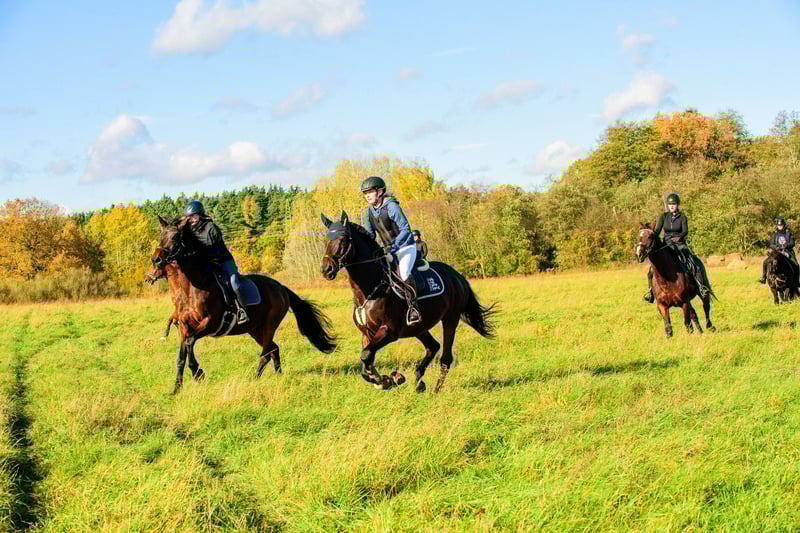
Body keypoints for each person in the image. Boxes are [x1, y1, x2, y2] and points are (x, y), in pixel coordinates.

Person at [360, 176, 422, 325]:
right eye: (365, 193)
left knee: (403, 273)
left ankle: (414, 309)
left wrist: (394, 245)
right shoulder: (367, 213)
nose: (367, 195)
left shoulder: (391, 206)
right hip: (388, 250)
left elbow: (405, 229)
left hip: (405, 247)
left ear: (380, 191)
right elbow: (370, 236)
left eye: (370, 192)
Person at [183, 200, 249, 324]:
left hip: (223, 260)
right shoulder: (189, 231)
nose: (191, 219)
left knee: (234, 282)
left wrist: (210, 260)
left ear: (200, 214)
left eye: (193, 216)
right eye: (189, 217)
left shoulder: (211, 227)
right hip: (206, 263)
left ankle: (241, 309)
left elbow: (215, 248)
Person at [643, 192, 710, 303]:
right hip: (666, 245)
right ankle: (651, 292)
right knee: (651, 269)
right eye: (670, 204)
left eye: (674, 204)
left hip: (680, 245)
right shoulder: (663, 217)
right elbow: (657, 232)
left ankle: (701, 287)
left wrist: (679, 238)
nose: (672, 206)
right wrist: (648, 234)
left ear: (678, 205)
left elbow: (685, 231)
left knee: (693, 264)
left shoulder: (683, 217)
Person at [760, 216, 799, 284]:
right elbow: (771, 244)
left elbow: (792, 243)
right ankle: (763, 277)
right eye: (778, 225)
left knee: (796, 264)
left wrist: (785, 246)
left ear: (784, 225)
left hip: (787, 251)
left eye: (781, 225)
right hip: (776, 252)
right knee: (765, 262)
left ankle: (796, 281)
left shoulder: (788, 233)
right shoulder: (774, 234)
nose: (780, 226)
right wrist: (776, 247)